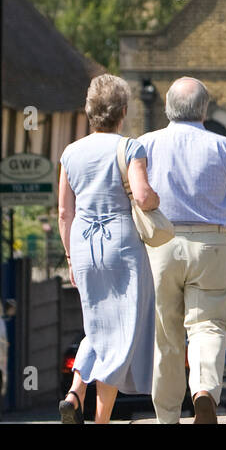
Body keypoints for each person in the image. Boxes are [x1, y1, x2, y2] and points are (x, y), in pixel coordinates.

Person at [141, 77, 226, 424]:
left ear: (166, 108)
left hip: (161, 245)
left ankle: (167, 418)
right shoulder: (224, 147)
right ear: (204, 110)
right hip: (212, 242)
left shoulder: (145, 145)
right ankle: (204, 390)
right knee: (208, 327)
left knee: (166, 336)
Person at [56, 74, 161, 424]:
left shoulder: (70, 153)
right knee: (121, 336)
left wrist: (71, 256)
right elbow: (143, 196)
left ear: (89, 111)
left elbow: (63, 212)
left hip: (84, 245)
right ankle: (100, 421)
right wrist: (158, 200)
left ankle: (75, 393)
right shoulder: (129, 148)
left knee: (97, 329)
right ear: (124, 111)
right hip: (121, 246)